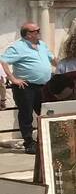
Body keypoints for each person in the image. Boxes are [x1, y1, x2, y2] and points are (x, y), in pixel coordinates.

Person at [2, 22, 55, 154]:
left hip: (44, 86)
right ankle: (29, 143)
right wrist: (13, 79)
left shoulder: (42, 45)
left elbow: (52, 59)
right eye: (36, 30)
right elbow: (2, 60)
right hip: (26, 86)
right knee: (26, 115)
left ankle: (47, 140)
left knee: (46, 114)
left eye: (39, 30)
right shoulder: (17, 47)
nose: (39, 32)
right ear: (28, 34)